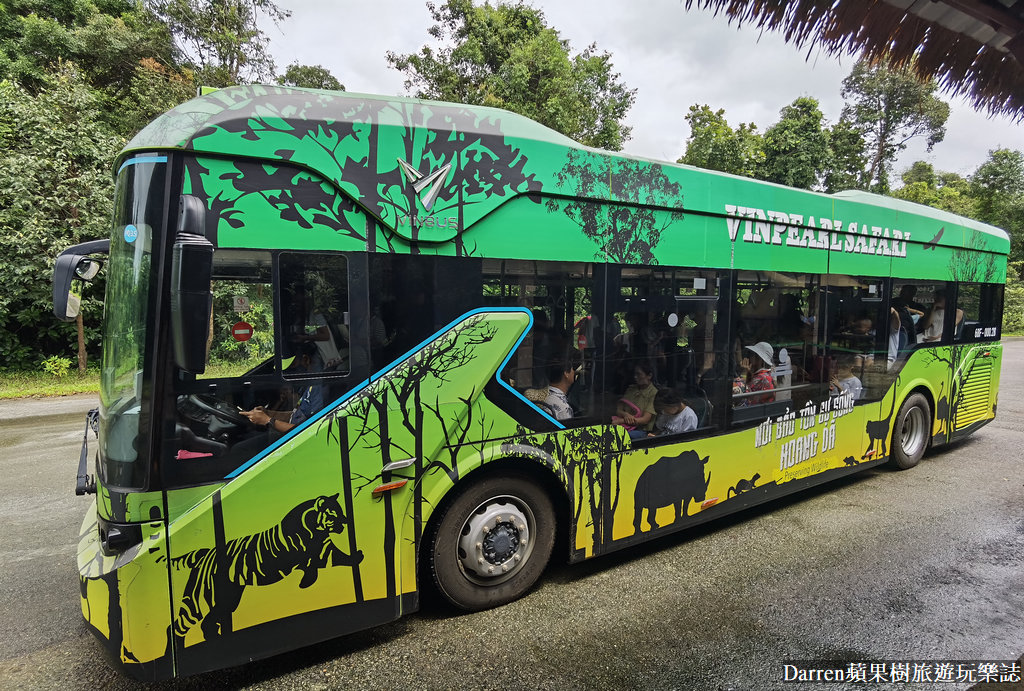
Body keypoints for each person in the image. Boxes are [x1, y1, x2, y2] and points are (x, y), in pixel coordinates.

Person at [238, 342, 325, 442]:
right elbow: (297, 416)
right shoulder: (310, 384)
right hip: (288, 433)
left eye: (292, 365)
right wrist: (268, 413)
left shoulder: (319, 389)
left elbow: (309, 430)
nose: (290, 371)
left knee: (239, 449)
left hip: (297, 439)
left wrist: (268, 420)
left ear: (305, 359)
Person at [616, 362, 658, 436]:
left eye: (639, 374)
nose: (635, 377)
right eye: (635, 374)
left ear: (649, 376)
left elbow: (645, 420)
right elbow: (619, 410)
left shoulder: (653, 393)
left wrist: (621, 421)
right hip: (623, 425)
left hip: (641, 429)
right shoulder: (631, 389)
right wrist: (625, 415)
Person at [541, 350, 581, 422]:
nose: (574, 372)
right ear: (566, 373)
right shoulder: (564, 408)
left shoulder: (542, 395)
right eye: (572, 369)